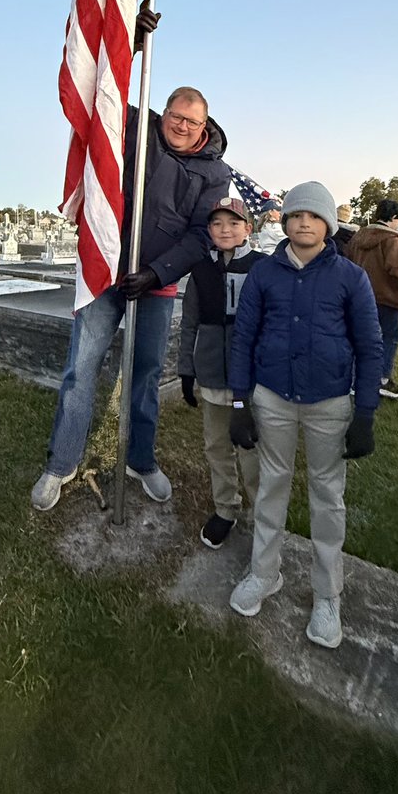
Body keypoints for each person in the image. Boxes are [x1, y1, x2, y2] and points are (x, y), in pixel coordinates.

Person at [31, 10, 231, 511]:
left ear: (205, 126)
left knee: (143, 375)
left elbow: (199, 234)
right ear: (164, 114)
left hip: (156, 285)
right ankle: (61, 463)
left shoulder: (215, 173)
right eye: (176, 118)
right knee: (82, 368)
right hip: (106, 271)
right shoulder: (139, 129)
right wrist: (135, 44)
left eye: (193, 121)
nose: (182, 127)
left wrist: (158, 273)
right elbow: (106, 93)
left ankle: (141, 459)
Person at [227, 182, 382, 649]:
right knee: (271, 486)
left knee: (327, 496)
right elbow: (244, 338)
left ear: (328, 225)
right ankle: (264, 572)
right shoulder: (264, 275)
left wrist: (366, 412)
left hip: (329, 403)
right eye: (295, 215)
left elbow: (370, 346)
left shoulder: (349, 277)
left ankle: (327, 594)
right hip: (273, 397)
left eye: (313, 217)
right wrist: (239, 404)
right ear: (285, 221)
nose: (303, 223)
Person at [178, 197, 265, 548]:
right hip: (213, 374)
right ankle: (226, 508)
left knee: (252, 448)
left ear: (247, 229)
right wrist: (187, 369)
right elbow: (190, 323)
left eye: (233, 223)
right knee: (217, 446)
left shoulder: (262, 267)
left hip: (254, 379)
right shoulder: (201, 270)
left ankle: (264, 514)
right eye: (217, 224)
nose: (225, 229)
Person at [345, 199, 398, 399]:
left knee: (360, 337)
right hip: (386, 298)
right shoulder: (392, 240)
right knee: (388, 338)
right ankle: (382, 379)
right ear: (393, 217)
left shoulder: (358, 237)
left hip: (359, 297)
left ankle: (353, 380)